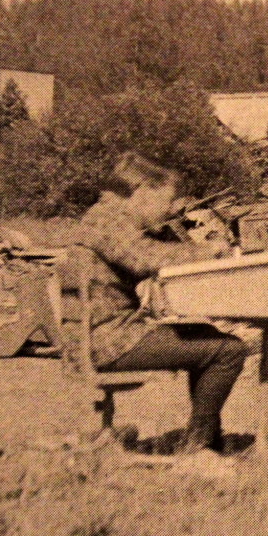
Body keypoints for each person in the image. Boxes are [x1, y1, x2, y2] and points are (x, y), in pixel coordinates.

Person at [67, 152, 248, 477]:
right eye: (165, 201)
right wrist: (209, 250)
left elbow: (145, 252)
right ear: (142, 192)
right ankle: (198, 450)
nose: (169, 210)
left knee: (207, 339)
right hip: (111, 342)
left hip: (105, 336)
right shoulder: (107, 221)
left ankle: (207, 440)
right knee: (228, 349)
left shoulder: (103, 218)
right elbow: (143, 258)